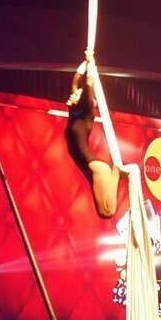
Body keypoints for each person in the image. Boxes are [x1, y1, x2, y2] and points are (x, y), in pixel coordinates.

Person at [64, 51, 125, 218]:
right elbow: (76, 79)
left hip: (95, 167)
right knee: (104, 212)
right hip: (91, 168)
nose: (73, 93)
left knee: (107, 212)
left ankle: (116, 173)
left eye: (77, 93)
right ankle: (116, 173)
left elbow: (88, 84)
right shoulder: (74, 112)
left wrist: (92, 65)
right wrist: (85, 61)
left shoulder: (85, 114)